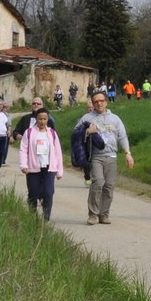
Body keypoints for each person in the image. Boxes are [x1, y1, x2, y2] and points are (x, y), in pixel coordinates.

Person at [75, 88, 134, 224]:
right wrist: (87, 132)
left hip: (112, 156)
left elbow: (122, 136)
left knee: (109, 186)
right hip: (96, 156)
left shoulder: (115, 119)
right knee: (98, 182)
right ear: (93, 104)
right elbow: (75, 134)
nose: (99, 104)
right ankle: (93, 214)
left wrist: (128, 154)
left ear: (106, 102)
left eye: (101, 101)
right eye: (96, 102)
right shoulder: (87, 118)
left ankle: (104, 214)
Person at [18, 108, 64, 221]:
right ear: (36, 119)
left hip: (49, 167)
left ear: (48, 119)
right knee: (33, 193)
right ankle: (32, 216)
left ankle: (46, 217)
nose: (42, 121)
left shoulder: (52, 133)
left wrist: (59, 170)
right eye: (40, 119)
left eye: (44, 119)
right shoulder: (29, 132)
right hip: (33, 168)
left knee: (48, 192)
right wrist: (23, 165)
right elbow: (23, 149)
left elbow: (58, 151)